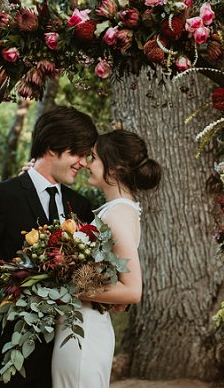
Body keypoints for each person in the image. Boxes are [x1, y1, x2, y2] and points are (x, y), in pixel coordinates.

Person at [0, 105, 98, 387]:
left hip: (62, 349)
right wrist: (28, 290)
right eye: (77, 153)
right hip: (6, 344)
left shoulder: (81, 206)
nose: (82, 163)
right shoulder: (1, 196)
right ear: (51, 146)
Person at [51, 129, 162, 387]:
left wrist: (67, 285)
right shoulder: (120, 209)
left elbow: (132, 291)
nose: (87, 164)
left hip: (84, 335)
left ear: (115, 168)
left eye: (94, 158)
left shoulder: (116, 215)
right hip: (82, 327)